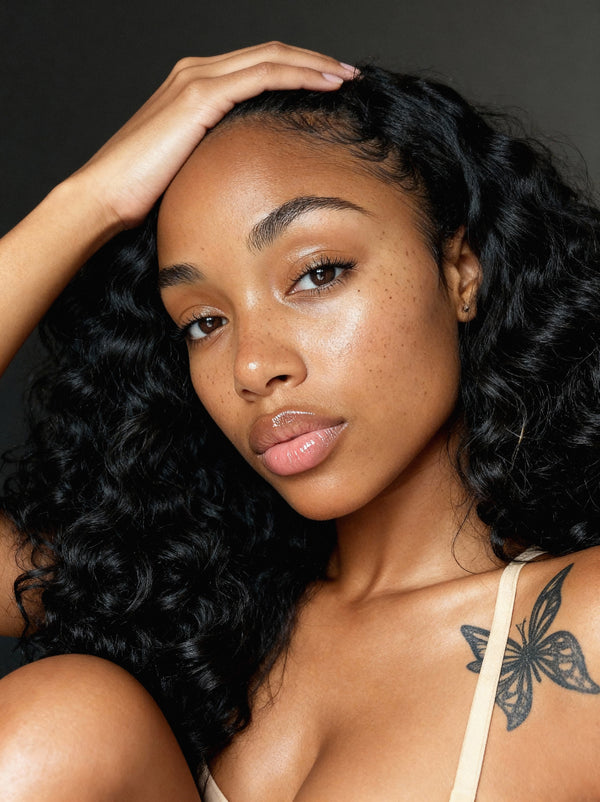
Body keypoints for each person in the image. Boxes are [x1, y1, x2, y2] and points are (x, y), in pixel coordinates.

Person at [0, 41, 599, 801]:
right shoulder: (188, 610)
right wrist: (88, 201)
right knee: (61, 720)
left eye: (317, 273)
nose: (253, 366)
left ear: (461, 272)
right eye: (204, 321)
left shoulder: (581, 626)